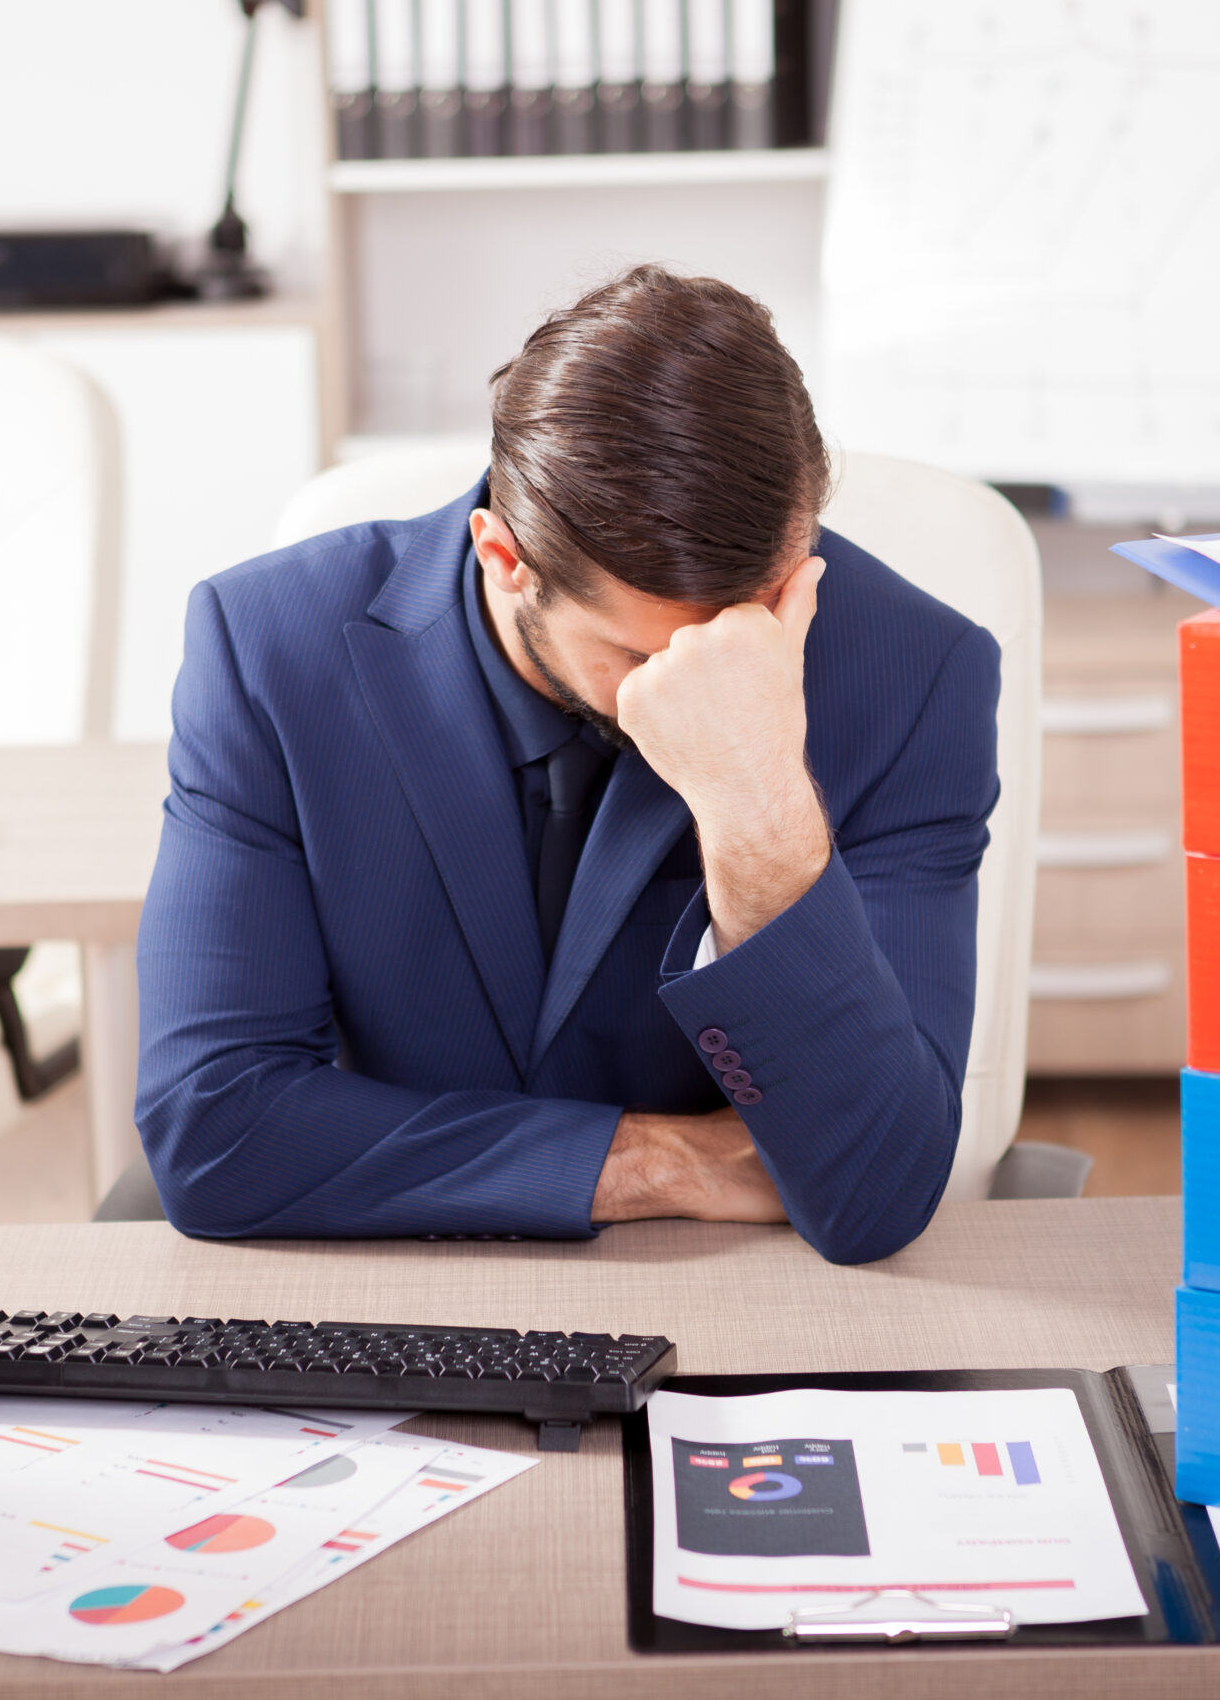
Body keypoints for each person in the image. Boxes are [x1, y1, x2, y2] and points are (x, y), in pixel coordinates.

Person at [135, 266, 1000, 1265]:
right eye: (645, 654)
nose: (713, 672)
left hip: (747, 1312)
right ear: (501, 558)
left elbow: (877, 1190)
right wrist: (661, 1160)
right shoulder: (270, 650)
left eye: (760, 617)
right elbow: (215, 1132)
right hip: (395, 1290)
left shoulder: (916, 677)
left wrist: (755, 804)